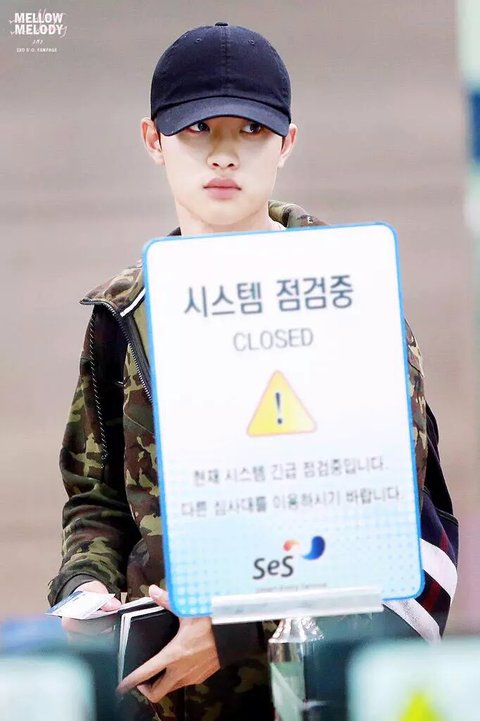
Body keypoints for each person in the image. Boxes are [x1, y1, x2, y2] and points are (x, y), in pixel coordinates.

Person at [48, 22, 459, 721]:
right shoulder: (127, 313)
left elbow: (382, 522)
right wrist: (85, 591)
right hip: (167, 697)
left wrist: (231, 633)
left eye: (251, 130)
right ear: (153, 140)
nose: (224, 153)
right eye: (197, 129)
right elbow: (95, 500)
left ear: (287, 143)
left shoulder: (348, 295)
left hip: (317, 691)